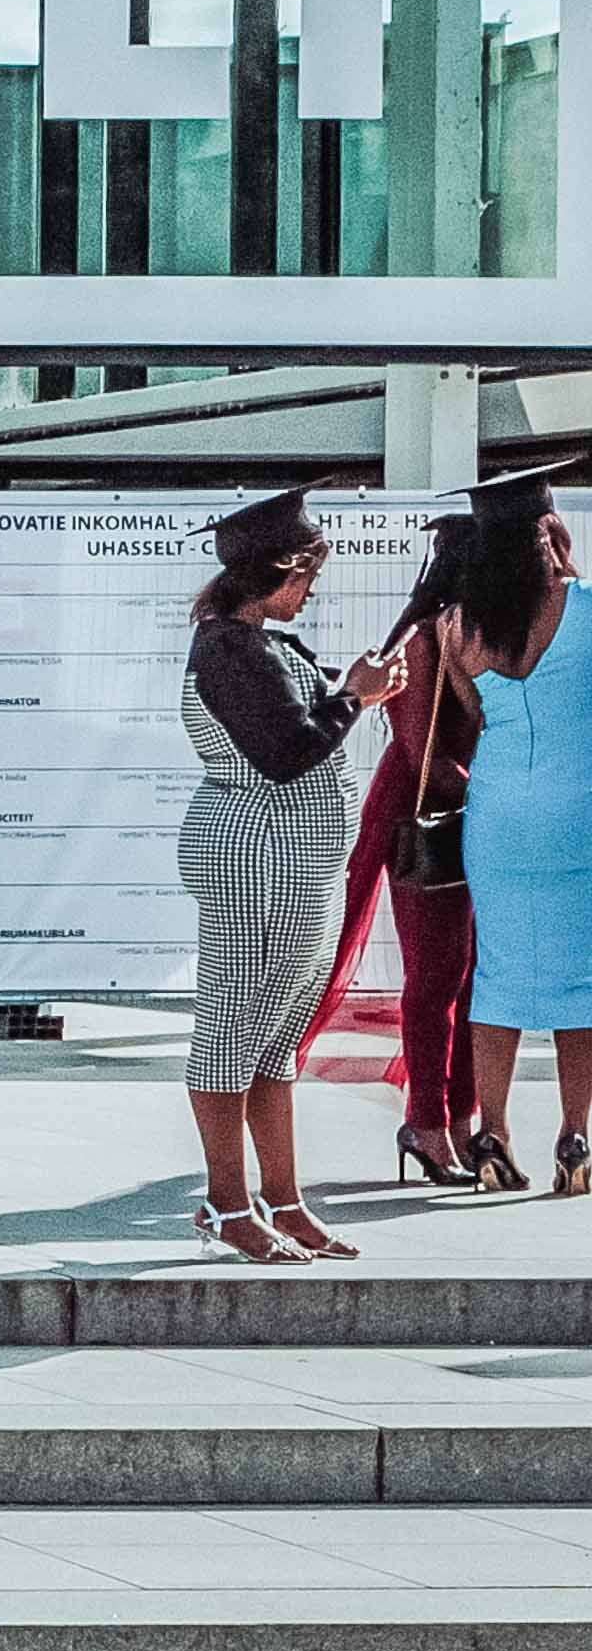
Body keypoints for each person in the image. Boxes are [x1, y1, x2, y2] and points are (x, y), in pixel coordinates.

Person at [180, 488, 403, 1261]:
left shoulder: (254, 644)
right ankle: (226, 1206)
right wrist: (356, 697)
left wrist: (354, 694)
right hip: (259, 860)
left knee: (274, 1039)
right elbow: (285, 754)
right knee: (232, 1029)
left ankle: (282, 1200)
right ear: (277, 571)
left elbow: (295, 728)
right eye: (306, 577)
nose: (309, 592)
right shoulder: (231, 650)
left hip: (295, 865)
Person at [330, 519, 509, 1193]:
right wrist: (506, 792)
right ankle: (426, 1123)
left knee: (473, 980)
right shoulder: (424, 642)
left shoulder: (477, 636)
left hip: (469, 815)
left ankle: (459, 1120)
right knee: (435, 977)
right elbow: (423, 759)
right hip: (425, 819)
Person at [440, 486, 592, 1199]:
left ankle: (493, 1134)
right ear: (549, 532)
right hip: (579, 808)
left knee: (496, 971)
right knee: (582, 979)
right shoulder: (585, 607)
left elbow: (475, 711)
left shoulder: (460, 624)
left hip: (497, 812)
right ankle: (575, 1134)